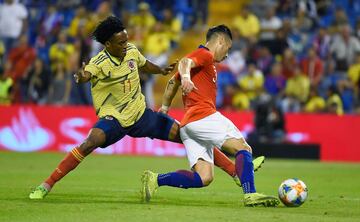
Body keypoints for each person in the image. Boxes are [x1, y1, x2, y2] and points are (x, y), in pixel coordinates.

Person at [29, 16, 255, 200]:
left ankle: (235, 172)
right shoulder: (99, 63)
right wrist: (80, 76)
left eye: (126, 40)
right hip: (114, 118)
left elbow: (144, 64)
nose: (125, 44)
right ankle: (47, 184)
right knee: (91, 142)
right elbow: (86, 74)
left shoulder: (131, 51)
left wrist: (161, 70)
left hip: (141, 114)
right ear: (108, 45)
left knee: (186, 133)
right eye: (120, 42)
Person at [141, 25, 279, 207]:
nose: (227, 54)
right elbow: (183, 63)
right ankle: (250, 193)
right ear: (220, 41)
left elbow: (172, 82)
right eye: (228, 48)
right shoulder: (204, 55)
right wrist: (187, 79)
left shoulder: (203, 63)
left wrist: (165, 108)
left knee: (204, 177)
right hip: (203, 116)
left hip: (188, 126)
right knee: (243, 147)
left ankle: (155, 179)